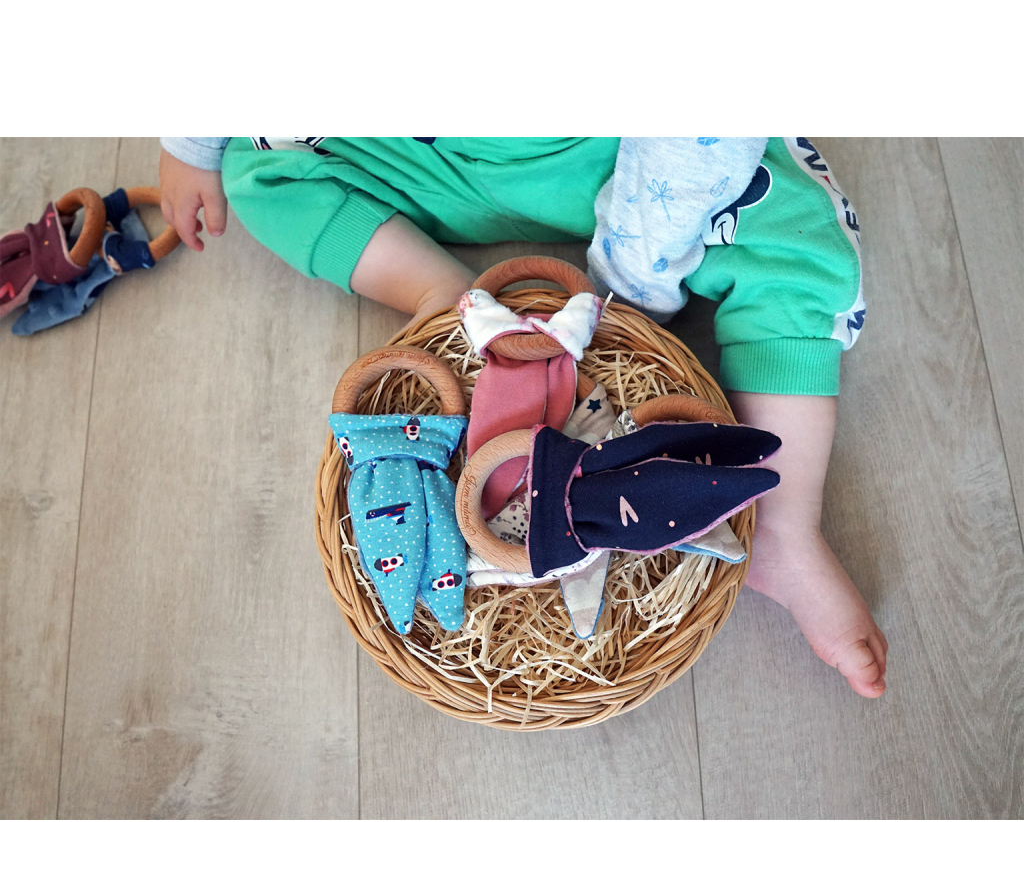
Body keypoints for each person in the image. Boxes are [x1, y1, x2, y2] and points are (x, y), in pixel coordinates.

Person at [159, 136, 888, 699]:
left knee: (797, 244)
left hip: (620, 159)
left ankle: (783, 523)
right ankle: (441, 292)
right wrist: (191, 142)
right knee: (259, 171)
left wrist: (628, 291)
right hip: (417, 155)